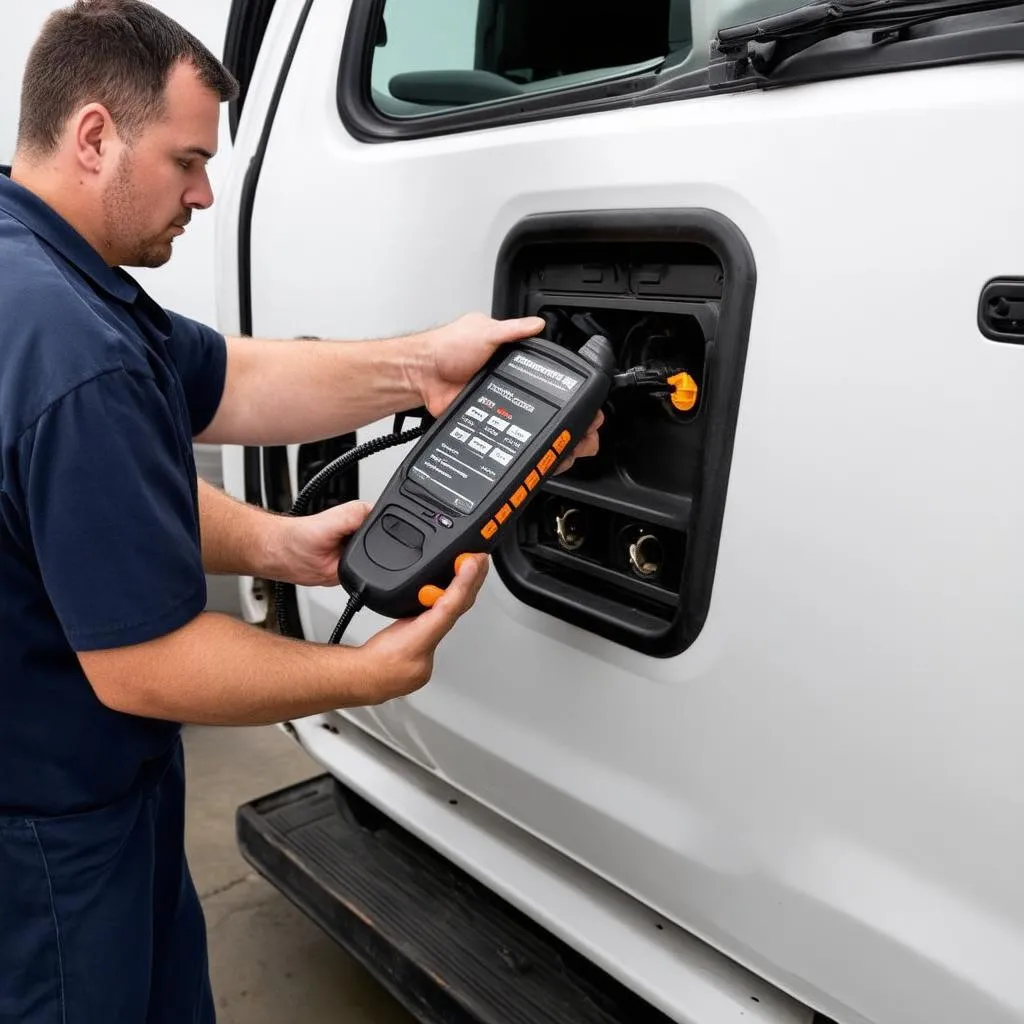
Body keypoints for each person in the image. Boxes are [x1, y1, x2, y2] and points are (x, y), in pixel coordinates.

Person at [0, 2, 602, 1021]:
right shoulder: (69, 346)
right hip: (49, 827)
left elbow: (219, 388)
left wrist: (414, 375)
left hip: (82, 787)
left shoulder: (45, 270)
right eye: (187, 160)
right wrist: (363, 674)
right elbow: (145, 663)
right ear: (95, 134)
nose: (204, 192)